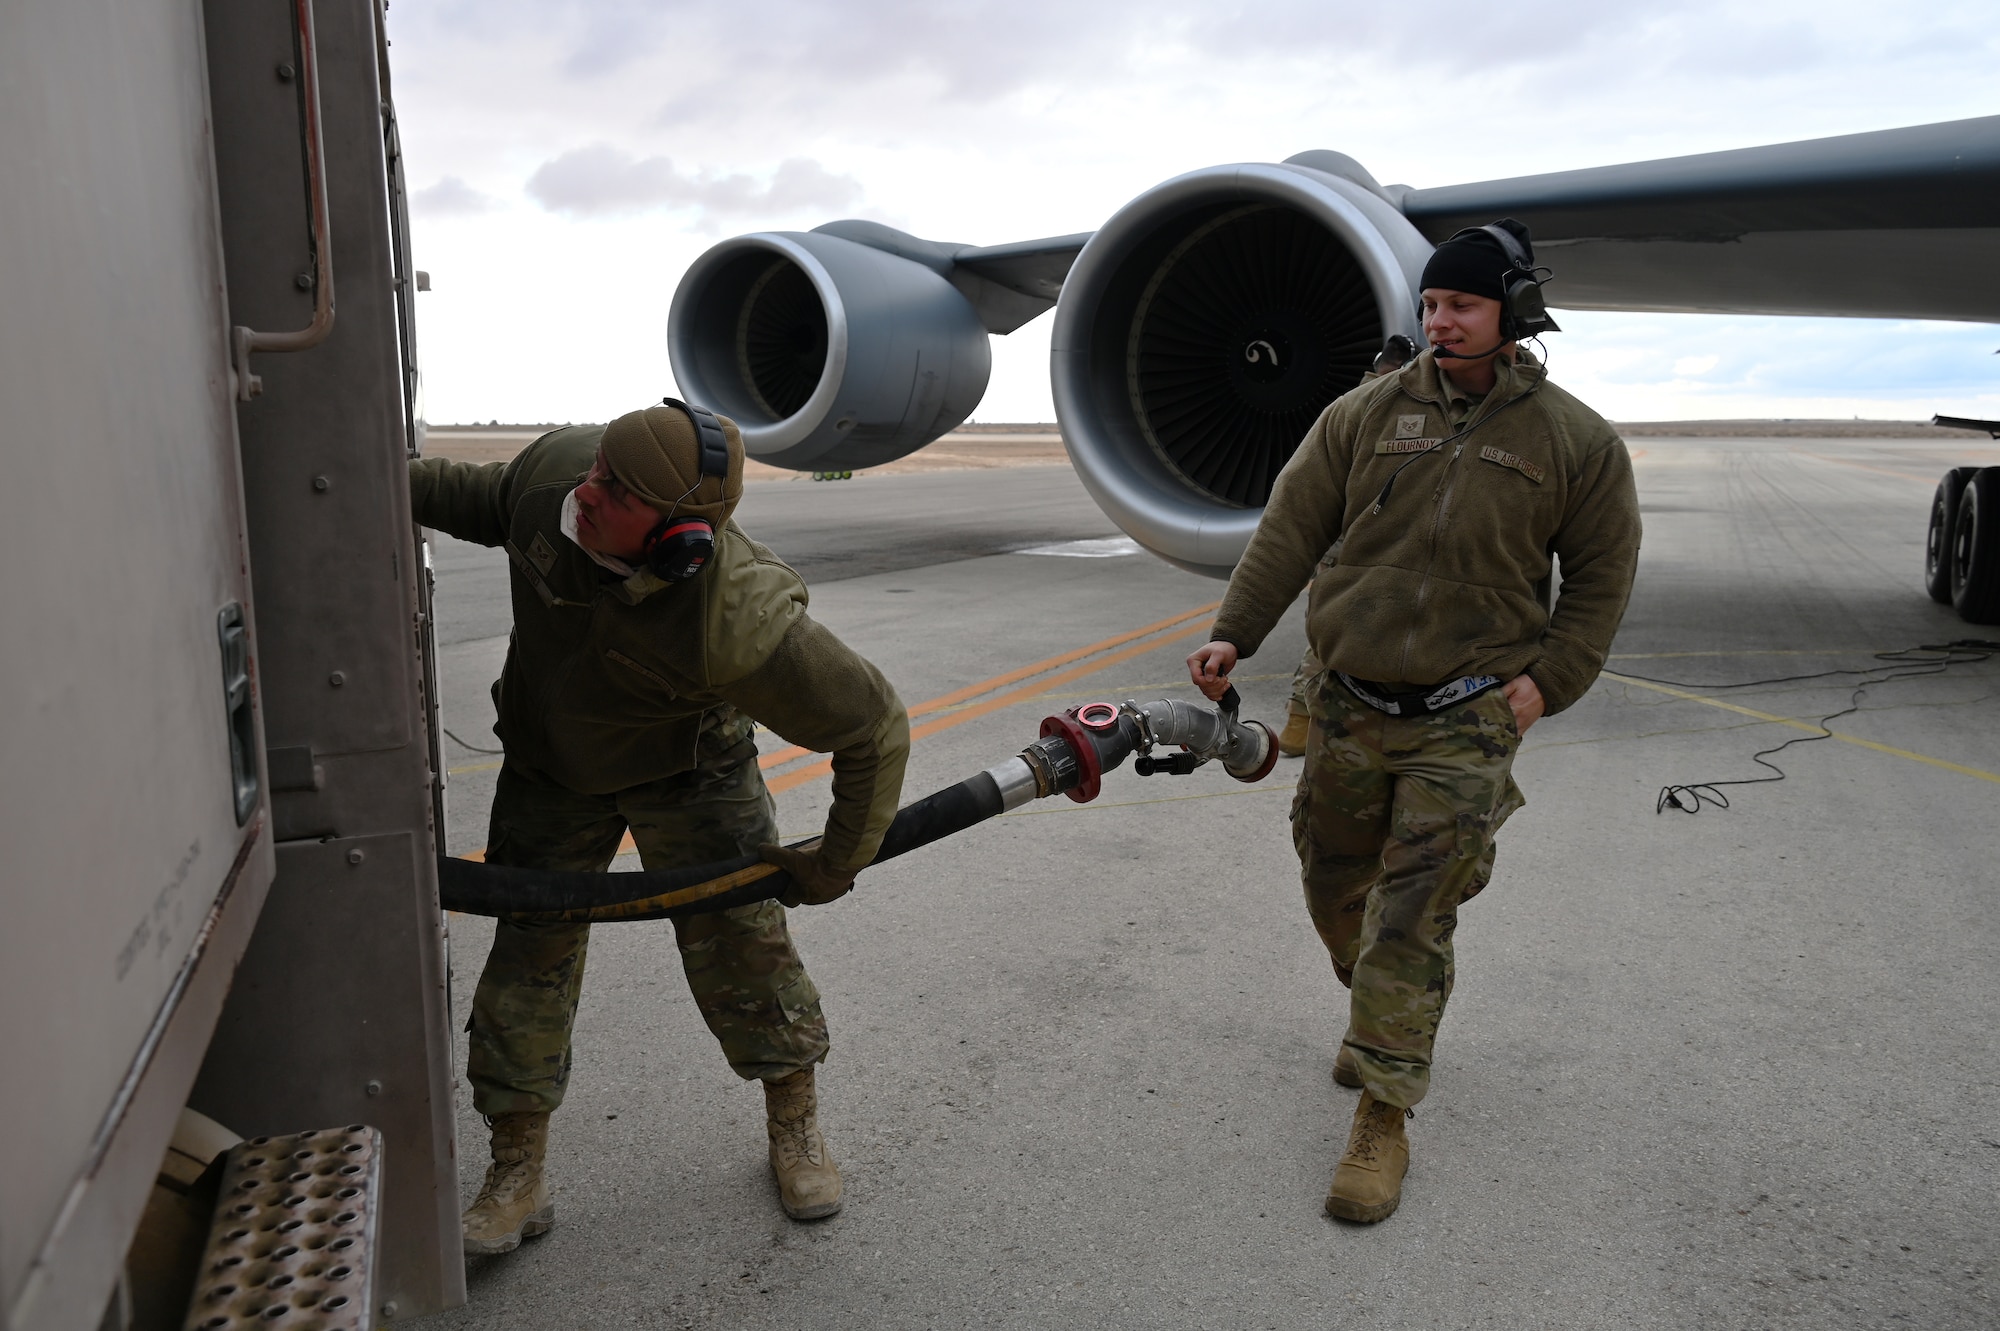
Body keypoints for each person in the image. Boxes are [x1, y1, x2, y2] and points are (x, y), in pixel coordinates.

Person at [1186, 220, 1640, 1223]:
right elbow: (1290, 525)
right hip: (1346, 703)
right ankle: (1378, 1005)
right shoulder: (1363, 414)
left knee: (1409, 915)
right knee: (1329, 878)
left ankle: (1382, 1115)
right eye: (1430, 305)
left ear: (1509, 315)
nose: (1439, 320)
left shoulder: (1572, 440)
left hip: (1463, 715)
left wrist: (1549, 679)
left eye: (1461, 305)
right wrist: (1233, 632)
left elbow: (1601, 576)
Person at [410, 400, 910, 1253]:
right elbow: (463, 492)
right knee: (528, 957)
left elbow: (874, 728)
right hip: (552, 766)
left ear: (681, 537)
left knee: (744, 945)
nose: (589, 489)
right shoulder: (552, 478)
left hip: (692, 772)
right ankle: (517, 1170)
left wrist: (835, 861)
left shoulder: (735, 616)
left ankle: (794, 1124)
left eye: (617, 488)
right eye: (597, 466)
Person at [1277, 334, 1420, 758]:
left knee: (1327, 634)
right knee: (1336, 638)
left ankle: (1303, 720)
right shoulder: (1392, 410)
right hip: (1362, 544)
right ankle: (1309, 719)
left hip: (1341, 544)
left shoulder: (1349, 407)